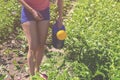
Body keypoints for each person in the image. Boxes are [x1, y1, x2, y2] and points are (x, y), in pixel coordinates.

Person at [18, 0, 63, 79]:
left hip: (44, 12)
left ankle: (37, 71)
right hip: (28, 12)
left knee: (41, 45)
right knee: (33, 46)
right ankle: (32, 76)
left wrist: (60, 16)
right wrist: (32, 11)